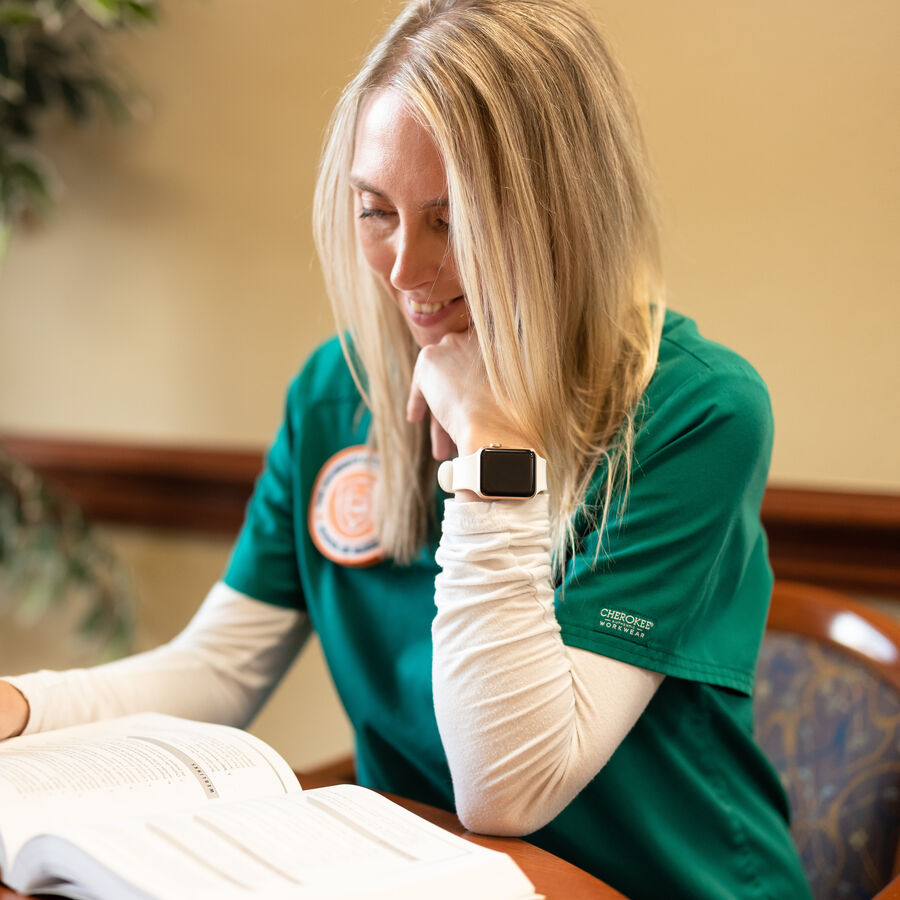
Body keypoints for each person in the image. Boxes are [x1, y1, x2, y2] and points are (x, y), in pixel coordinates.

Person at [0, 1, 811, 897]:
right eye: (375, 211)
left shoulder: (698, 411)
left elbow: (510, 787)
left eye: (451, 221)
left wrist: (495, 455)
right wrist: (26, 704)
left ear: (565, 217)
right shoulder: (334, 392)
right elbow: (219, 668)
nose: (402, 272)